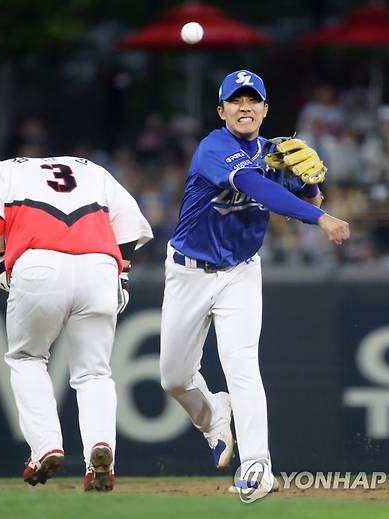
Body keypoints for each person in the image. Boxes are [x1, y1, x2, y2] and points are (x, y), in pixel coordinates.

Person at [159, 70, 350, 500]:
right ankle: (213, 419)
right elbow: (254, 185)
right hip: (188, 271)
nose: (245, 107)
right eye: (236, 101)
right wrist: (320, 218)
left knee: (242, 364)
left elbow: (308, 197)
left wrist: (313, 183)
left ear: (265, 109)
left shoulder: (274, 152)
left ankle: (257, 465)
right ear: (221, 111)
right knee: (173, 377)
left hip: (241, 273)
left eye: (253, 101)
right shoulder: (214, 148)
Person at [0, 155, 153, 491]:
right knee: (94, 372)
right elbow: (129, 220)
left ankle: (45, 447)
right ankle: (101, 448)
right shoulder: (90, 168)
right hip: (99, 266)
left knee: (27, 359)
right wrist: (122, 272)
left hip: (39, 262)